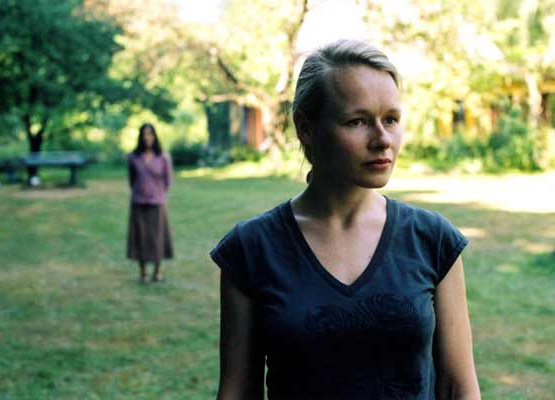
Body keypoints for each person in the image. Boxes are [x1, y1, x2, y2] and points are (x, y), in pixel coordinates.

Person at [210, 40, 481, 399]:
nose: (382, 140)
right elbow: (237, 392)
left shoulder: (433, 241)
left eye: (391, 119)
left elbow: (458, 386)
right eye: (357, 121)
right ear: (306, 128)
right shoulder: (250, 250)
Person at [127, 123, 174, 283]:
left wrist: (157, 194)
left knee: (157, 238)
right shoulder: (133, 157)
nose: (147, 137)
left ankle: (157, 271)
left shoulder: (163, 157)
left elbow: (168, 181)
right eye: (144, 134)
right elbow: (132, 180)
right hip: (138, 203)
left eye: (150, 134)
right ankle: (143, 272)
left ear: (155, 136)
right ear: (140, 137)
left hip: (157, 203)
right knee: (140, 237)